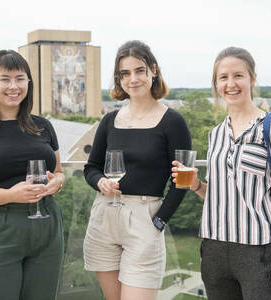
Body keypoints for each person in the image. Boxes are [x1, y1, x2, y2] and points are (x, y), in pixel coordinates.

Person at [172, 46, 271, 300]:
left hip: (258, 251)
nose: (230, 84)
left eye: (238, 76)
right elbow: (218, 195)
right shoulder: (216, 134)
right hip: (213, 251)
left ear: (252, 79)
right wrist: (195, 185)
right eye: (223, 77)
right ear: (216, 83)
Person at [83, 40, 191, 300]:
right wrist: (101, 183)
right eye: (125, 73)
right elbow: (92, 168)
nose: (133, 79)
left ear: (153, 70)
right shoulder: (109, 121)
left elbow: (182, 180)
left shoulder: (173, 122)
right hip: (104, 218)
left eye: (139, 70)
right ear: (119, 80)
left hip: (145, 220)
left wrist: (159, 220)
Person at [0, 50, 65, 300]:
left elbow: (60, 173)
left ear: (29, 83)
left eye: (20, 78)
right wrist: (10, 195)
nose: (14, 86)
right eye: (5, 79)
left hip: (47, 225)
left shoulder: (42, 125)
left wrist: (57, 184)